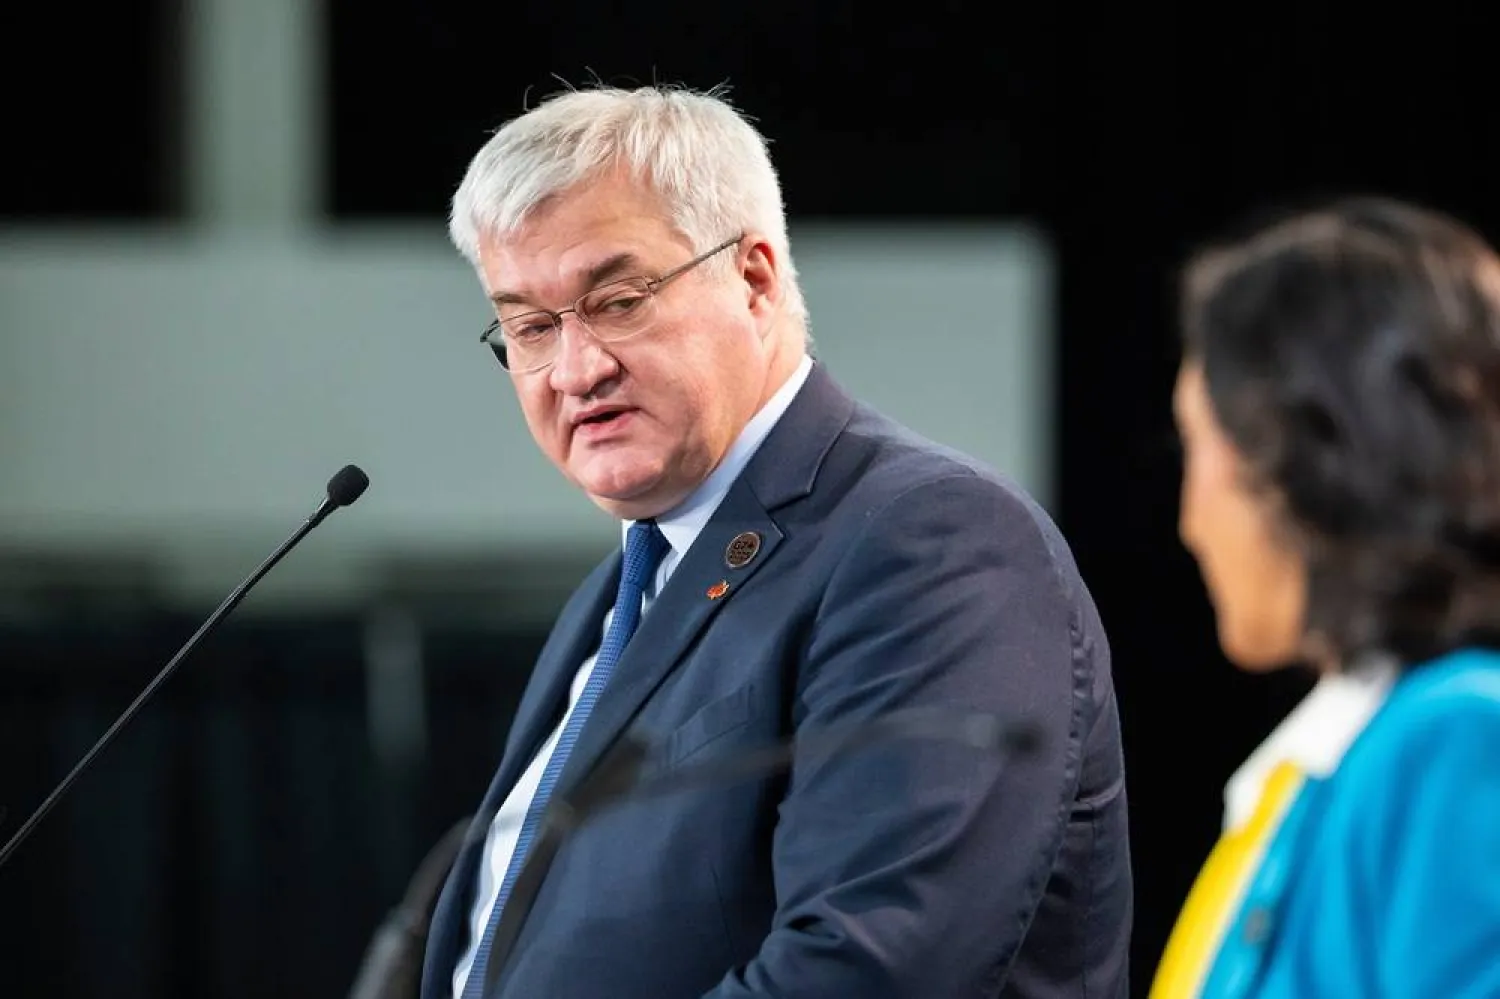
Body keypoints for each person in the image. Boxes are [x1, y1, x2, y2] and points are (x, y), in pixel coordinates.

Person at [419, 82, 1131, 999]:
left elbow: (871, 963)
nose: (576, 369)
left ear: (753, 279)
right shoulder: (614, 598)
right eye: (529, 326)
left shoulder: (931, 540)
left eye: (620, 299)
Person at [1152, 197, 1500, 998]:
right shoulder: (1348, 761)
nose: (1189, 522)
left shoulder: (1456, 737)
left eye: (1199, 446)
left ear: (1301, 460)